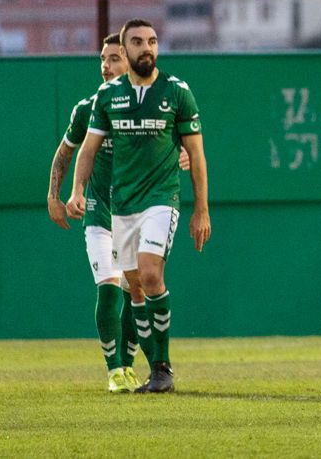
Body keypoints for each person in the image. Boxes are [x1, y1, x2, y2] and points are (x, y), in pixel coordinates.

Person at [66, 19, 211, 395]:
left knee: (149, 275)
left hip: (162, 199)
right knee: (135, 289)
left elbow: (195, 153)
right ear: (125, 51)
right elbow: (88, 149)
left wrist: (202, 209)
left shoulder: (177, 91)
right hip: (122, 205)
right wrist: (77, 190)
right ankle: (155, 372)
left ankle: (162, 368)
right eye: (137, 42)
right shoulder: (108, 96)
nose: (146, 47)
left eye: (152, 41)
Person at [48, 34, 141, 392]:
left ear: (131, 62)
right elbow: (64, 153)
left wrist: (180, 155)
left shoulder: (147, 106)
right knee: (109, 285)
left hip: (136, 213)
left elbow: (176, 143)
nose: (106, 65)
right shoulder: (87, 108)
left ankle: (129, 366)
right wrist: (57, 196)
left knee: (138, 290)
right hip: (99, 214)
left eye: (114, 58)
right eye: (103, 58)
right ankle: (114, 370)